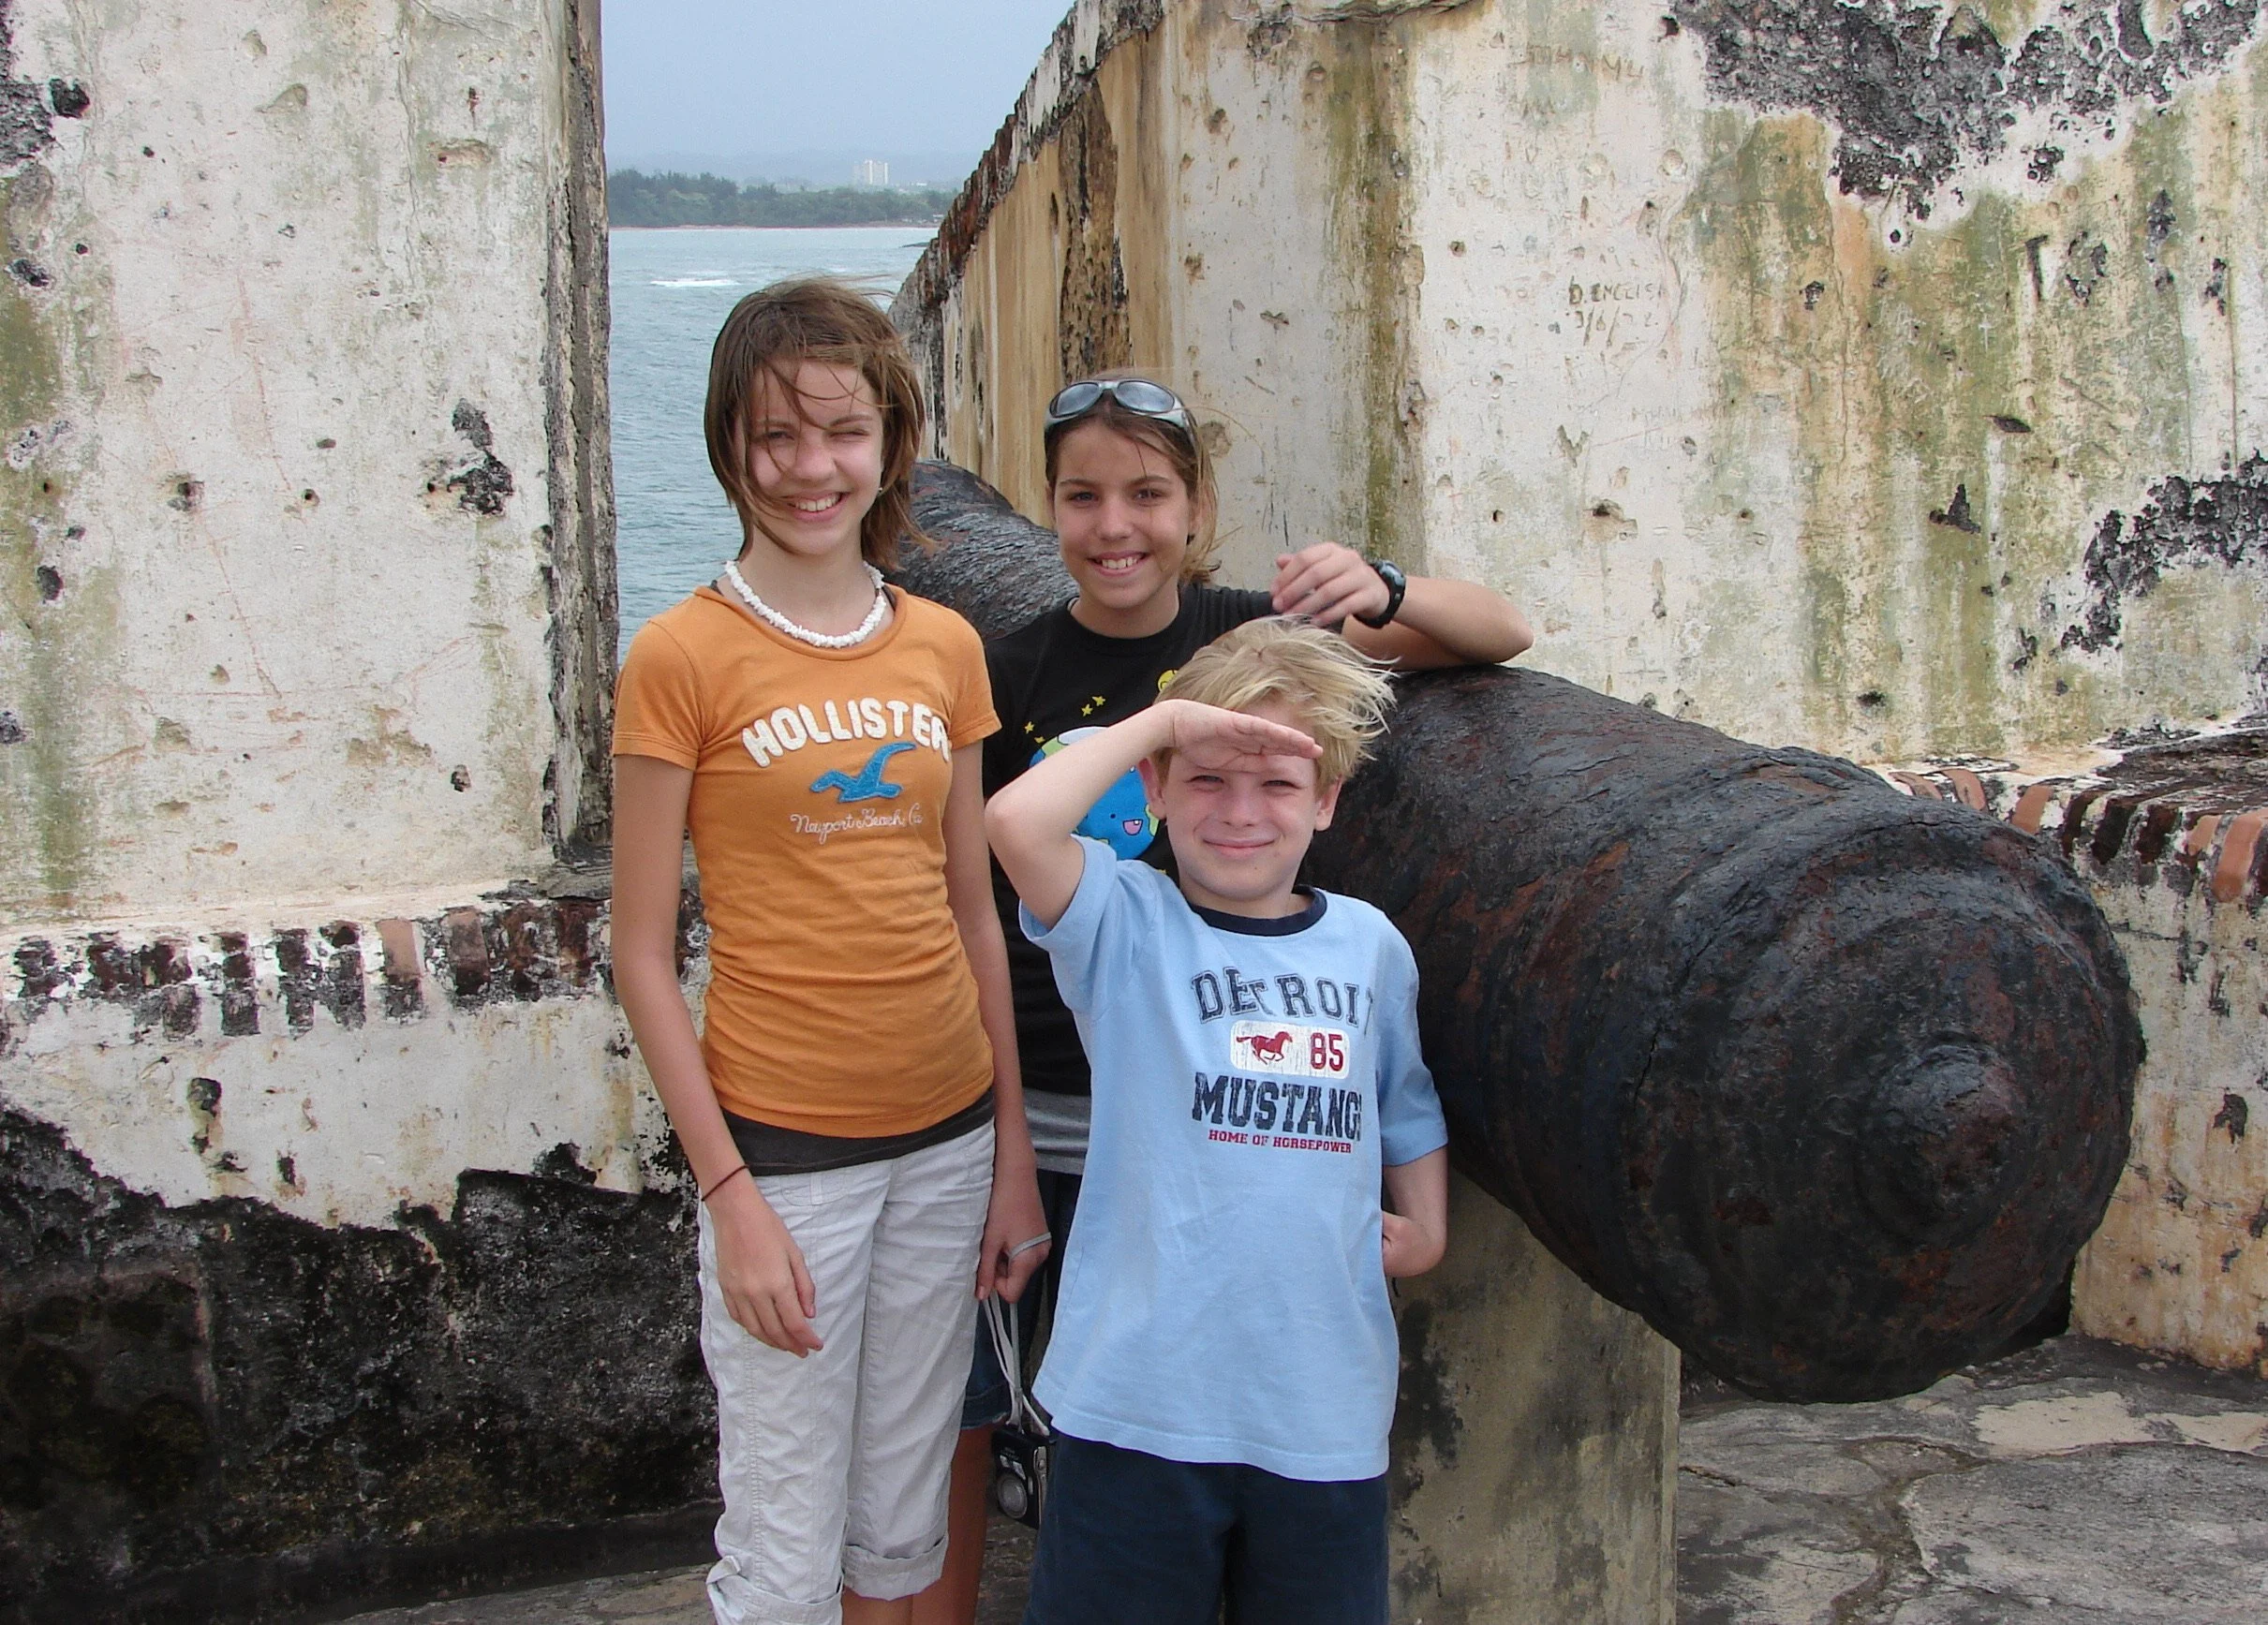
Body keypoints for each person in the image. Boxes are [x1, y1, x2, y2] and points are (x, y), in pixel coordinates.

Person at [915, 374, 1530, 1623]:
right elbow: (994, 861)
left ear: (1196, 508)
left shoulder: (1263, 651)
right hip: (1080, 1067)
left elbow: (1501, 631)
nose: (1115, 523)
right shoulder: (1020, 668)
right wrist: (1163, 721)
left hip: (1236, 1136)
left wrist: (1385, 588)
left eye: (1148, 492)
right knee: (1053, 1417)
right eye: (1082, 495)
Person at [609, 278, 1048, 1625]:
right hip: (785, 1155)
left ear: (890, 438)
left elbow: (975, 908)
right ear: (730, 450)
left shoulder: (943, 646)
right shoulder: (681, 654)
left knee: (902, 1526)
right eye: (775, 438)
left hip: (948, 1139)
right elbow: (637, 951)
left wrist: (1012, 1163)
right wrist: (731, 1195)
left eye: (842, 431)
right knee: (785, 1548)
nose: (812, 468)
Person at [986, 617, 1451, 1624]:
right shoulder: (1124, 922)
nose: (1241, 811)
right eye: (1206, 779)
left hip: (1318, 1405)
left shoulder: (1370, 948)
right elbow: (1018, 823)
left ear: (1325, 800)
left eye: (1279, 784)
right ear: (1155, 790)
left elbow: (1404, 1098)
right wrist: (1166, 720)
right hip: (1138, 1406)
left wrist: (1427, 1220)